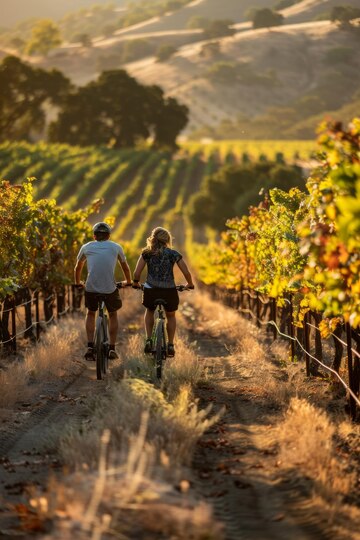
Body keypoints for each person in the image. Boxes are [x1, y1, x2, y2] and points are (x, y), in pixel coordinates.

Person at [132, 226, 194, 356]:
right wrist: (189, 284)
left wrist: (136, 283)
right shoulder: (173, 253)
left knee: (150, 311)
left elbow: (137, 273)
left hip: (151, 289)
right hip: (169, 290)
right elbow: (186, 272)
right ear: (167, 239)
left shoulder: (146, 253)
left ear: (153, 238)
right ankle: (170, 344)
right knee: (170, 315)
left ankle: (149, 340)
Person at [74, 222, 132, 360]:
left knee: (91, 312)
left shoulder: (86, 247)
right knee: (112, 314)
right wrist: (128, 282)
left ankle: (89, 346)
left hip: (91, 287)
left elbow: (77, 267)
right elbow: (125, 267)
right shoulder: (116, 247)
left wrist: (78, 283)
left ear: (94, 236)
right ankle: (112, 348)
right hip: (110, 288)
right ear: (109, 236)